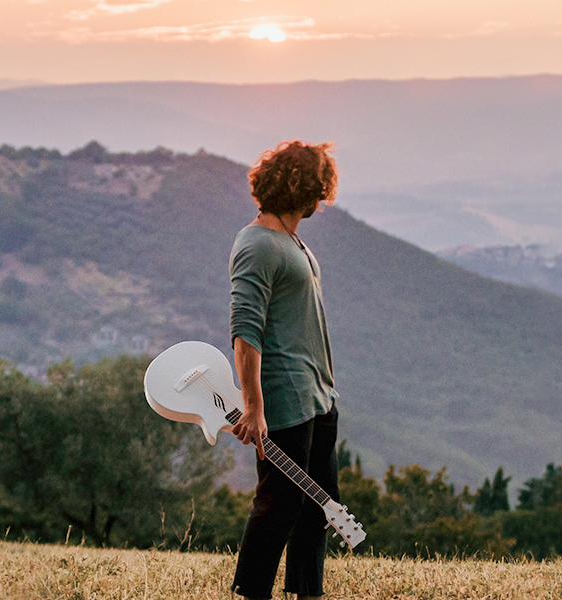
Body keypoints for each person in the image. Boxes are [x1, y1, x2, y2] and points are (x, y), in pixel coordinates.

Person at [228, 140, 341, 600]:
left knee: (319, 506)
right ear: (304, 187)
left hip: (318, 395)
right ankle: (250, 592)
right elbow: (245, 330)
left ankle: (306, 594)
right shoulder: (256, 244)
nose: (323, 195)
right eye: (320, 185)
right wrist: (254, 407)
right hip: (284, 401)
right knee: (279, 505)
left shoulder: (288, 238)